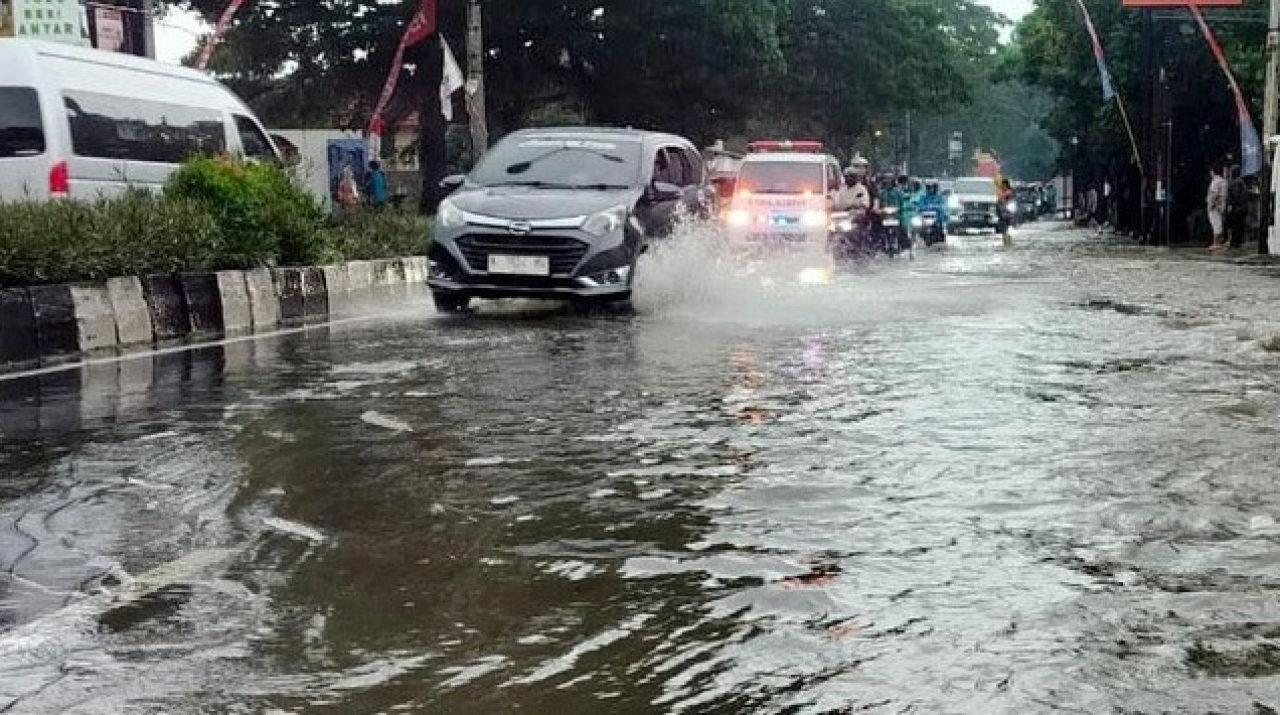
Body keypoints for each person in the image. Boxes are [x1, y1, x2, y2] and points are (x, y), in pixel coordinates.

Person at [1207, 160, 1229, 250]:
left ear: (1213, 171)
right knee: (1220, 224)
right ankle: (1220, 242)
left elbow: (1213, 194)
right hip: (1222, 205)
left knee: (1216, 224)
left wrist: (1211, 205)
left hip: (1216, 206)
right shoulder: (1223, 181)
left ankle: (1216, 243)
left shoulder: (1216, 181)